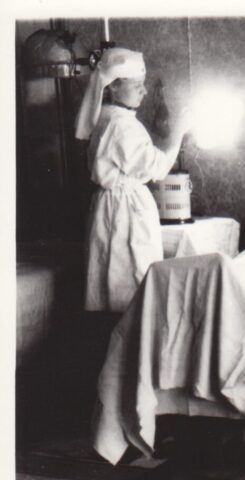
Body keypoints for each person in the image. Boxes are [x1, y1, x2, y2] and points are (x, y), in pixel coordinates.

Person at [75, 47, 191, 312]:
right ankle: (130, 335)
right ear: (114, 87)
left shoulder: (109, 118)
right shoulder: (120, 125)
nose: (145, 91)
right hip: (124, 212)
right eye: (137, 85)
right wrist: (179, 132)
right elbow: (158, 167)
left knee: (112, 280)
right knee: (131, 281)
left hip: (114, 207)